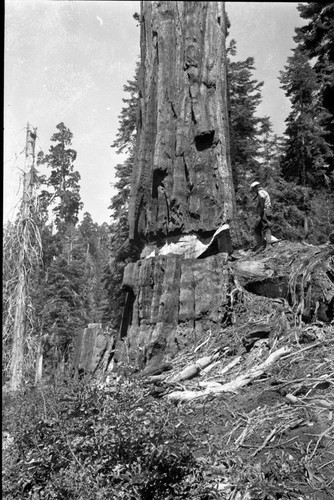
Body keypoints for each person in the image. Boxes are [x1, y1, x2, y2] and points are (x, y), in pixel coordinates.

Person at [250, 181, 272, 254]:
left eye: (253, 189)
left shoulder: (261, 192)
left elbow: (262, 198)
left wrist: (262, 208)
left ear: (256, 187)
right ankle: (261, 246)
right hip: (263, 212)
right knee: (257, 229)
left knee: (266, 227)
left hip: (265, 211)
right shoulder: (260, 193)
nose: (253, 191)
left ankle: (268, 245)